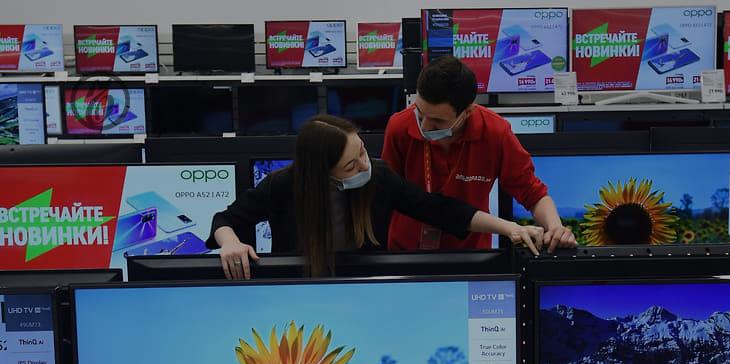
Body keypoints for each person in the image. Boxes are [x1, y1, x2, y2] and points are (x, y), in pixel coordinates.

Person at [209, 115, 544, 279]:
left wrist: (509, 228)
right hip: (302, 289)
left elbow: (438, 209)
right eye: (351, 165)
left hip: (367, 285)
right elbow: (225, 221)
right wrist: (231, 243)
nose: (364, 165)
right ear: (321, 173)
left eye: (362, 151)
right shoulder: (282, 185)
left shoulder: (379, 177)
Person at [382, 55, 576, 252]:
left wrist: (555, 228)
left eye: (437, 121)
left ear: (467, 112)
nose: (424, 126)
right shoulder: (399, 127)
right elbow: (387, 192)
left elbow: (532, 193)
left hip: (471, 253)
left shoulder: (495, 132)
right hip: (406, 250)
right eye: (420, 113)